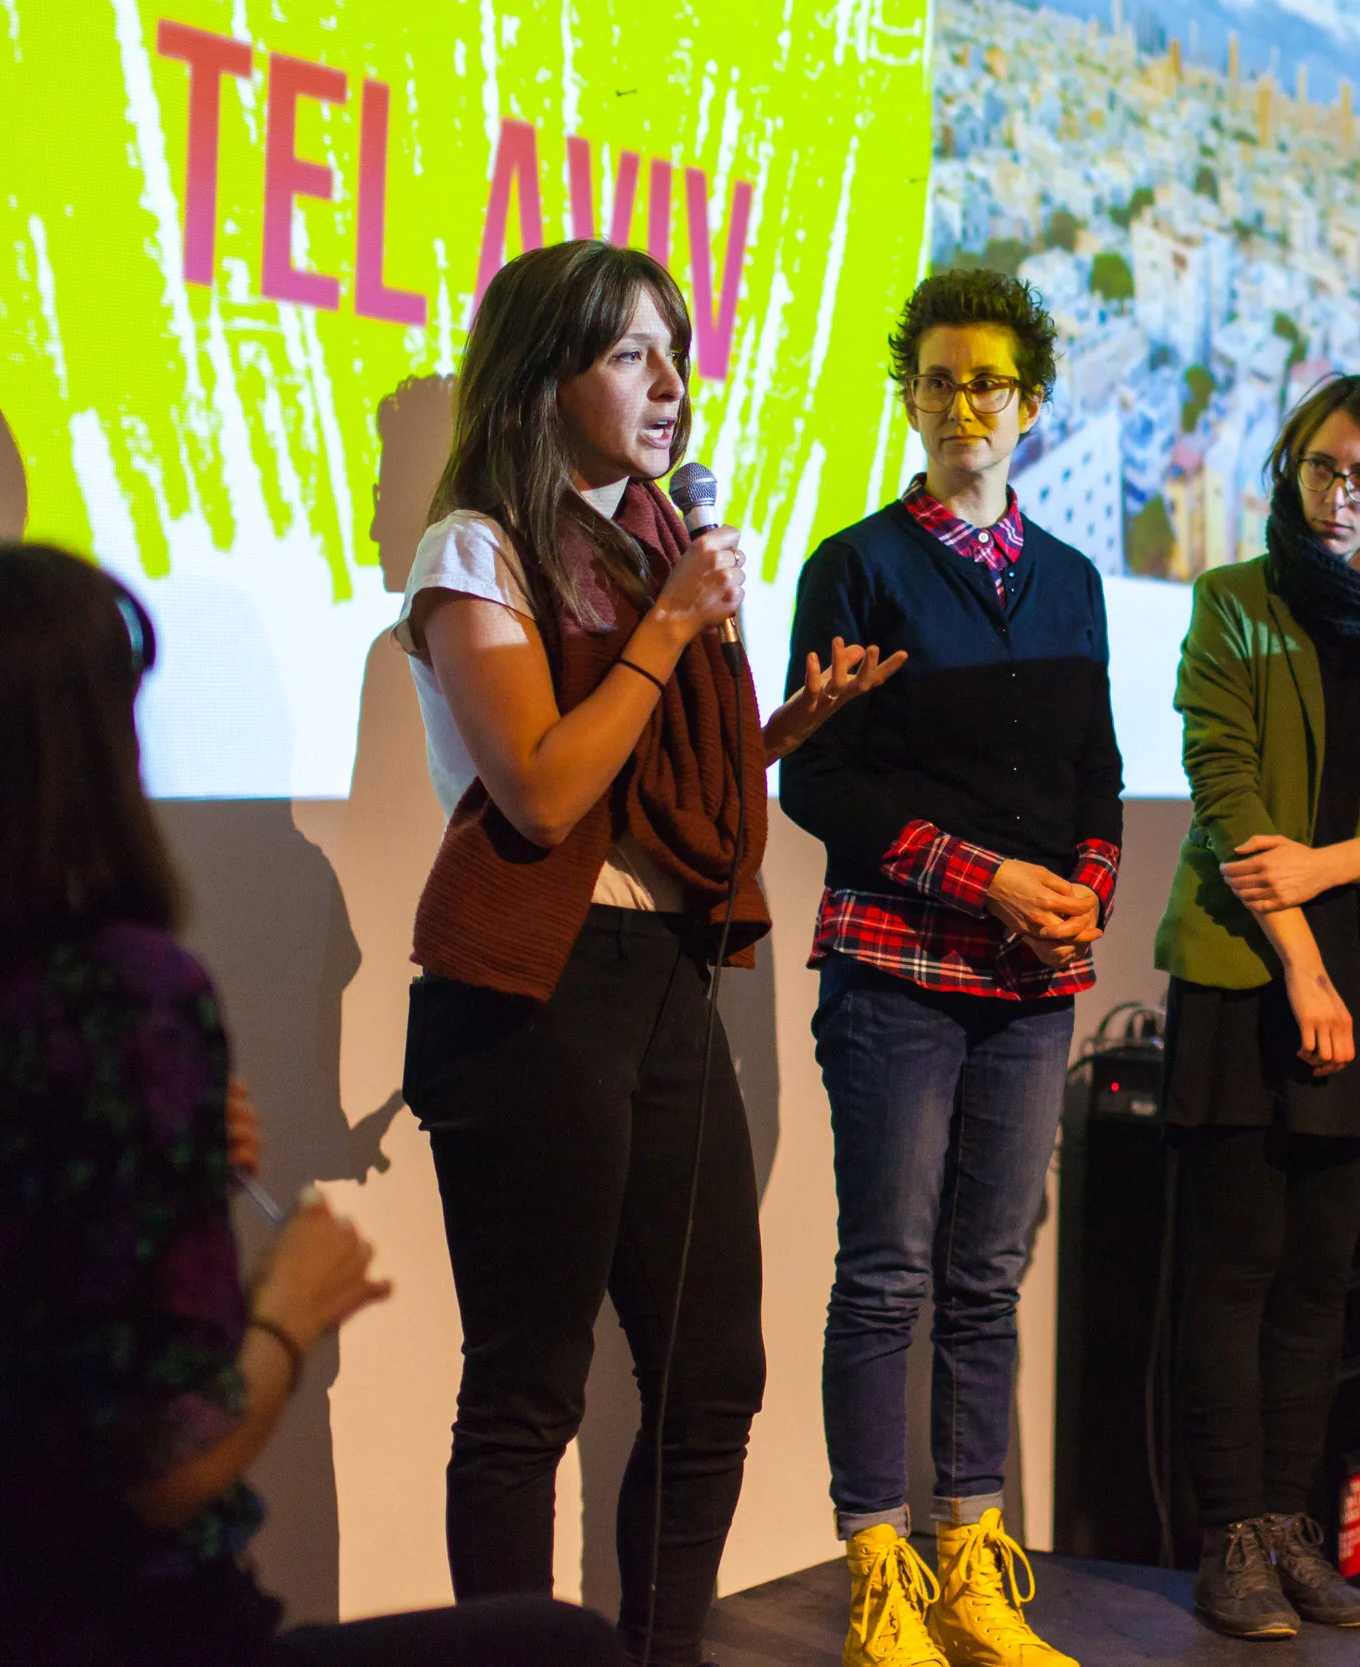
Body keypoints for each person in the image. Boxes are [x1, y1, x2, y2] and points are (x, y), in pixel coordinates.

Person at [0, 541, 620, 1667]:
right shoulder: (124, 1000)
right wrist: (289, 1304)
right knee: (564, 1650)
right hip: (140, 1636)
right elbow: (170, 1459)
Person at [395, 240, 899, 1665]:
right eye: (630, 354)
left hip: (663, 974)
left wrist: (775, 731)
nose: (672, 384)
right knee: (528, 1391)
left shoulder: (650, 543)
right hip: (532, 990)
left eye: (676, 351)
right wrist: (674, 626)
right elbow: (546, 793)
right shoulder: (478, 548)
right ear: (543, 375)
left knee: (713, 1374)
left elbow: (647, 782)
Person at [781, 268, 1123, 1667]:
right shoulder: (857, 564)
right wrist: (984, 878)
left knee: (985, 1277)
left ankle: (972, 1563)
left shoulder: (1074, 578)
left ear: (1028, 404)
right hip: (895, 969)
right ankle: (879, 1569)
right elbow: (817, 778)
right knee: (885, 1275)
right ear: (909, 398)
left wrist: (1083, 899)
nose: (960, 404)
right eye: (936, 380)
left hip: (1033, 985)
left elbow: (1099, 774)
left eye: (985, 382)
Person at [1151, 375, 1360, 1639]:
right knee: (1234, 1268)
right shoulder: (1234, 600)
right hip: (1248, 962)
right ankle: (1229, 1537)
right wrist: (1300, 957)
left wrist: (1326, 871)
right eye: (1322, 468)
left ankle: (1290, 1528)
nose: (1339, 495)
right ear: (1292, 468)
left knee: (1318, 1281)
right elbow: (1222, 786)